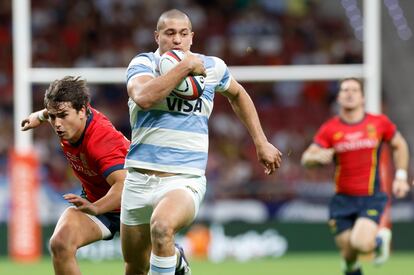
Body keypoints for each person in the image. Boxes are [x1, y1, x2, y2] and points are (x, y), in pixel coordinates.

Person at [121, 9, 283, 275]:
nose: (177, 39)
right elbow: (144, 97)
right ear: (157, 36)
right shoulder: (143, 64)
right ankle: (175, 261)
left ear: (192, 37)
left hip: (184, 178)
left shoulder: (212, 67)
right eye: (169, 33)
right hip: (138, 178)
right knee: (135, 266)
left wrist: (260, 141)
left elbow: (238, 94)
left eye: (183, 34)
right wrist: (184, 67)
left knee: (162, 227)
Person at [21, 76, 130, 275]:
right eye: (53, 117)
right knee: (60, 243)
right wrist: (39, 116)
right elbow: (53, 111)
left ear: (83, 110)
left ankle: (173, 257)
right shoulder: (70, 119)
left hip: (134, 205)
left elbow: (124, 187)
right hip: (98, 203)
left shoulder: (100, 140)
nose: (57, 124)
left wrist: (95, 208)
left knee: (138, 267)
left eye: (62, 115)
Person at [301, 77, 410, 275]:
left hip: (370, 197)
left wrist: (401, 176)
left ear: (362, 97)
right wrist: (317, 157)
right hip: (342, 200)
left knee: (360, 243)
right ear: (339, 97)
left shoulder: (378, 123)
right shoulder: (330, 128)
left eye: (354, 90)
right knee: (349, 256)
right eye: (345, 90)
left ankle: (379, 239)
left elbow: (399, 145)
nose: (349, 93)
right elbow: (306, 158)